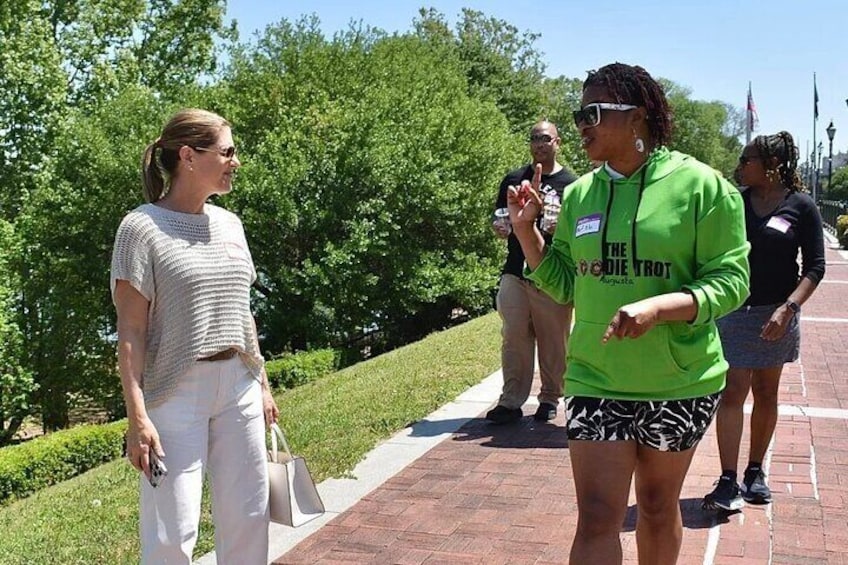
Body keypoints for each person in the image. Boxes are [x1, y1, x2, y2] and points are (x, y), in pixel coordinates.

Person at [508, 63, 750, 564]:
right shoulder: (580, 196)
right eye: (579, 114)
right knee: (597, 514)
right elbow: (564, 283)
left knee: (659, 507)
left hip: (678, 381)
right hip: (597, 376)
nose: (581, 125)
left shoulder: (702, 187)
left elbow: (732, 282)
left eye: (592, 112)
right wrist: (527, 231)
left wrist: (659, 309)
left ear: (637, 117)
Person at [111, 108, 279, 564]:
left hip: (239, 385)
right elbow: (130, 332)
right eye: (227, 151)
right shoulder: (140, 228)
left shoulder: (231, 225)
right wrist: (137, 418)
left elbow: (243, 311)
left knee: (249, 517)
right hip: (174, 394)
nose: (235, 161)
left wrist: (261, 384)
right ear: (188, 155)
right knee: (172, 531)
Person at [703, 132, 826, 511]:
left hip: (777, 312)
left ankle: (755, 471)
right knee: (733, 390)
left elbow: (815, 267)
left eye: (747, 159)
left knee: (767, 393)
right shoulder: (734, 203)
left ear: (771, 165)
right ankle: (727, 478)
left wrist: (788, 308)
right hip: (735, 312)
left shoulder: (801, 207)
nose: (740, 166)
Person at [486, 120, 577, 424]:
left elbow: (580, 231)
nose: (539, 144)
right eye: (534, 138)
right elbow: (500, 218)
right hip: (515, 270)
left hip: (552, 273)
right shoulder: (514, 179)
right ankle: (511, 402)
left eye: (545, 139)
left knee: (554, 340)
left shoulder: (572, 185)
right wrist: (500, 227)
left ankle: (550, 398)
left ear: (557, 142)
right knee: (513, 335)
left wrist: (559, 226)